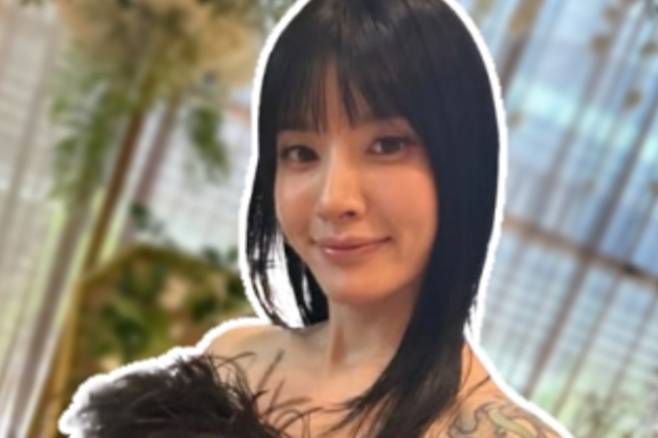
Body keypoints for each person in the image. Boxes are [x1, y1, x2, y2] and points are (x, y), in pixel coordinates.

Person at [59, 0, 571, 437]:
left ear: (464, 164)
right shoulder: (232, 364)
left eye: (386, 145)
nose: (333, 199)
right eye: (301, 152)